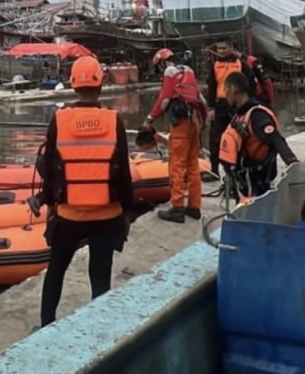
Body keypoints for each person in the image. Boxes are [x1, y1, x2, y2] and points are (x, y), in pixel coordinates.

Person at [34, 55, 133, 328]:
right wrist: (126, 212)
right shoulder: (115, 121)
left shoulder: (59, 119)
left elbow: (51, 172)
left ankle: (46, 325)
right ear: (101, 84)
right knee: (100, 276)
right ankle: (99, 328)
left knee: (56, 271)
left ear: (72, 84)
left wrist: (48, 202)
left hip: (69, 215)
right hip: (107, 214)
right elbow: (123, 174)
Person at [142, 48, 207, 223]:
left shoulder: (170, 73)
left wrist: (150, 118)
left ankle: (177, 207)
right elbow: (201, 100)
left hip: (181, 125)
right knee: (192, 165)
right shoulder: (189, 71)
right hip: (195, 121)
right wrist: (203, 123)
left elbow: (164, 98)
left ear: (162, 62)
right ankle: (194, 207)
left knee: (177, 166)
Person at [219, 72, 299, 199]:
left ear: (233, 90)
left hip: (255, 183)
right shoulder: (239, 116)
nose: (225, 95)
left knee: (251, 215)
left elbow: (276, 140)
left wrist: (294, 165)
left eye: (225, 91)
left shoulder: (257, 116)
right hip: (242, 182)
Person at [206, 37, 258, 180]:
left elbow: (252, 85)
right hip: (220, 106)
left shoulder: (241, 65)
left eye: (224, 48)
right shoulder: (215, 66)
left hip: (238, 107)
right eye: (218, 49)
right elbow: (211, 87)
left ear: (231, 48)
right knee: (215, 139)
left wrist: (250, 105)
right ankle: (214, 170)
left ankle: (240, 168)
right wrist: (210, 108)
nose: (221, 51)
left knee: (241, 138)